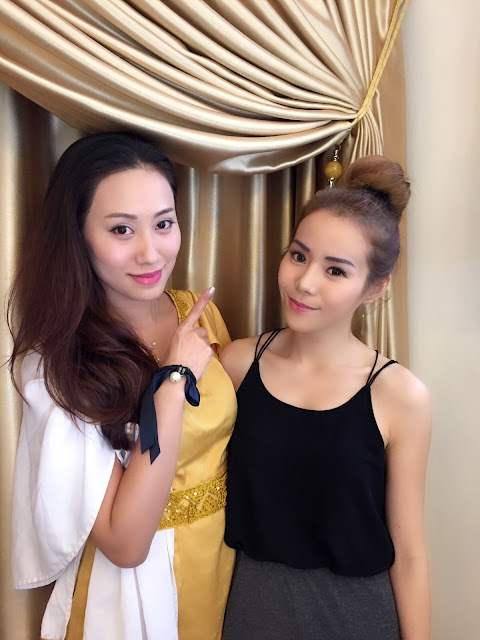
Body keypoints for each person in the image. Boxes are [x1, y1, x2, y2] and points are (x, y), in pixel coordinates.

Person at [8, 131, 236, 640]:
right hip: (134, 596)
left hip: (220, 571)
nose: (151, 253)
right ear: (78, 235)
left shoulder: (198, 315)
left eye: (164, 223)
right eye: (121, 230)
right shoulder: (59, 362)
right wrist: (173, 381)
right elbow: (126, 543)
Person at [220, 155, 431, 640]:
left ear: (375, 287)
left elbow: (410, 553)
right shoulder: (237, 364)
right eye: (299, 255)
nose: (305, 282)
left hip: (358, 617)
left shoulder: (401, 396)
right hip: (251, 609)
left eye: (336, 271)